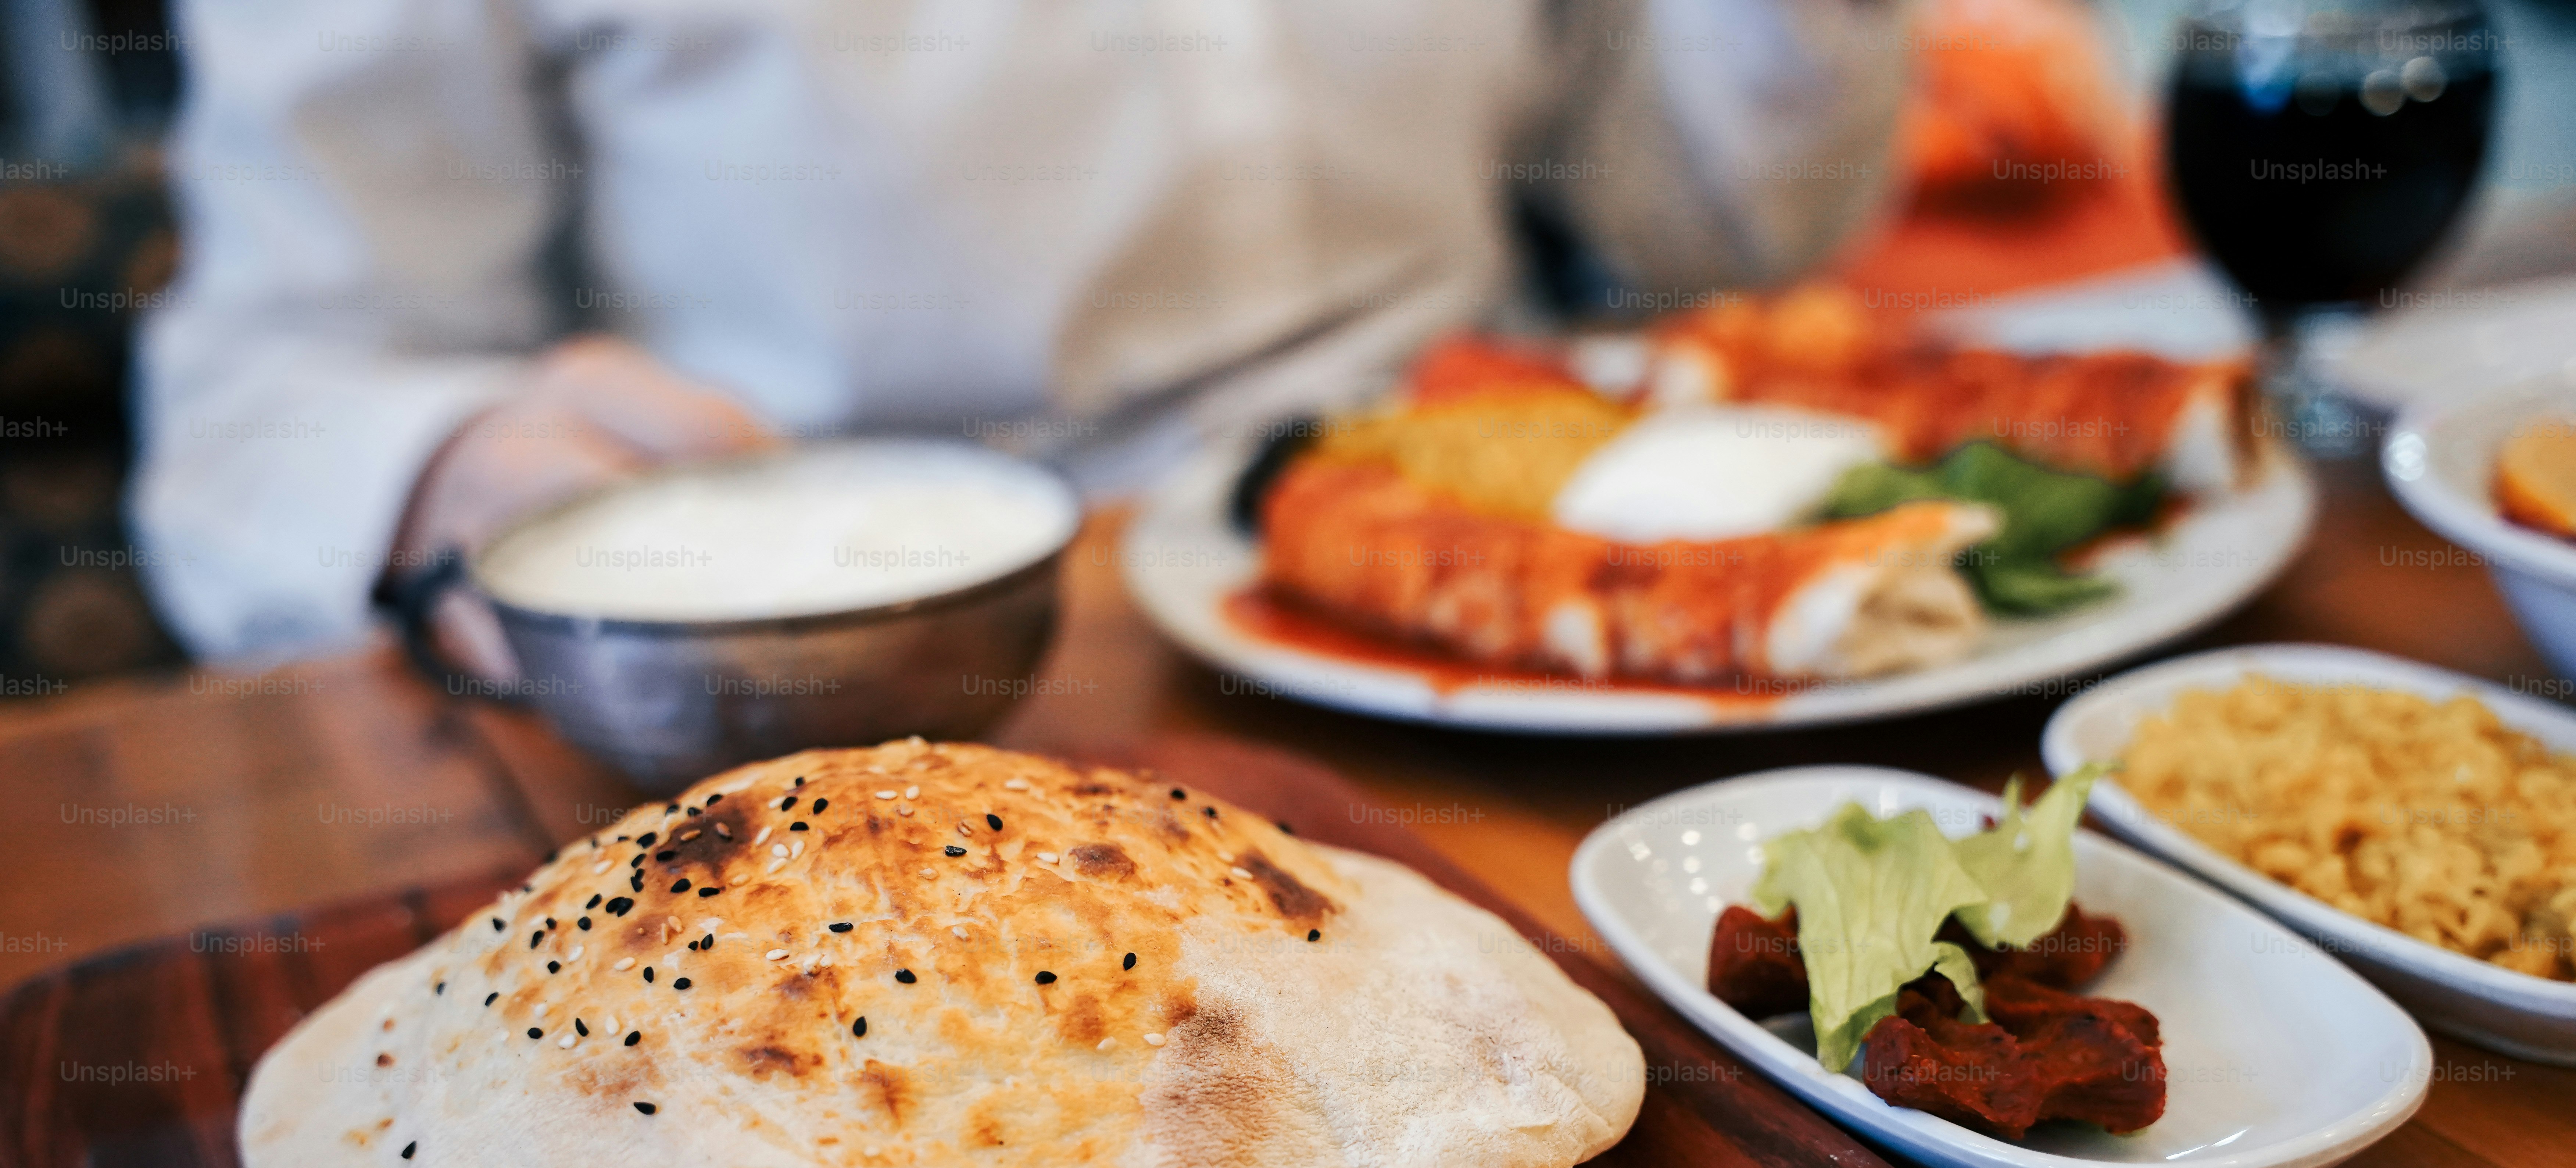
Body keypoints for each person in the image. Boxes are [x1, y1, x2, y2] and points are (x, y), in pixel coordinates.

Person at [133, 0, 1909, 664]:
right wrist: (446, 466)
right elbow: (265, 394)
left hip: (1526, 573)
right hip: (881, 649)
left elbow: (1699, 233)